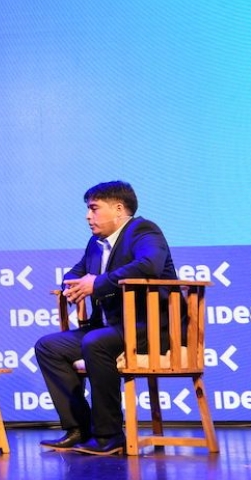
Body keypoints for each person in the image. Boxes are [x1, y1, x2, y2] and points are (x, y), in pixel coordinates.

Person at [35, 180, 180, 456]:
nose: (87, 216)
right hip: (110, 327)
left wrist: (97, 283)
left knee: (96, 343)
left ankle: (109, 435)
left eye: (94, 208)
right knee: (49, 347)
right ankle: (79, 428)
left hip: (148, 327)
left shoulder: (144, 230)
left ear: (119, 209)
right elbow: (75, 273)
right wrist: (71, 287)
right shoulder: (96, 243)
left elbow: (149, 265)